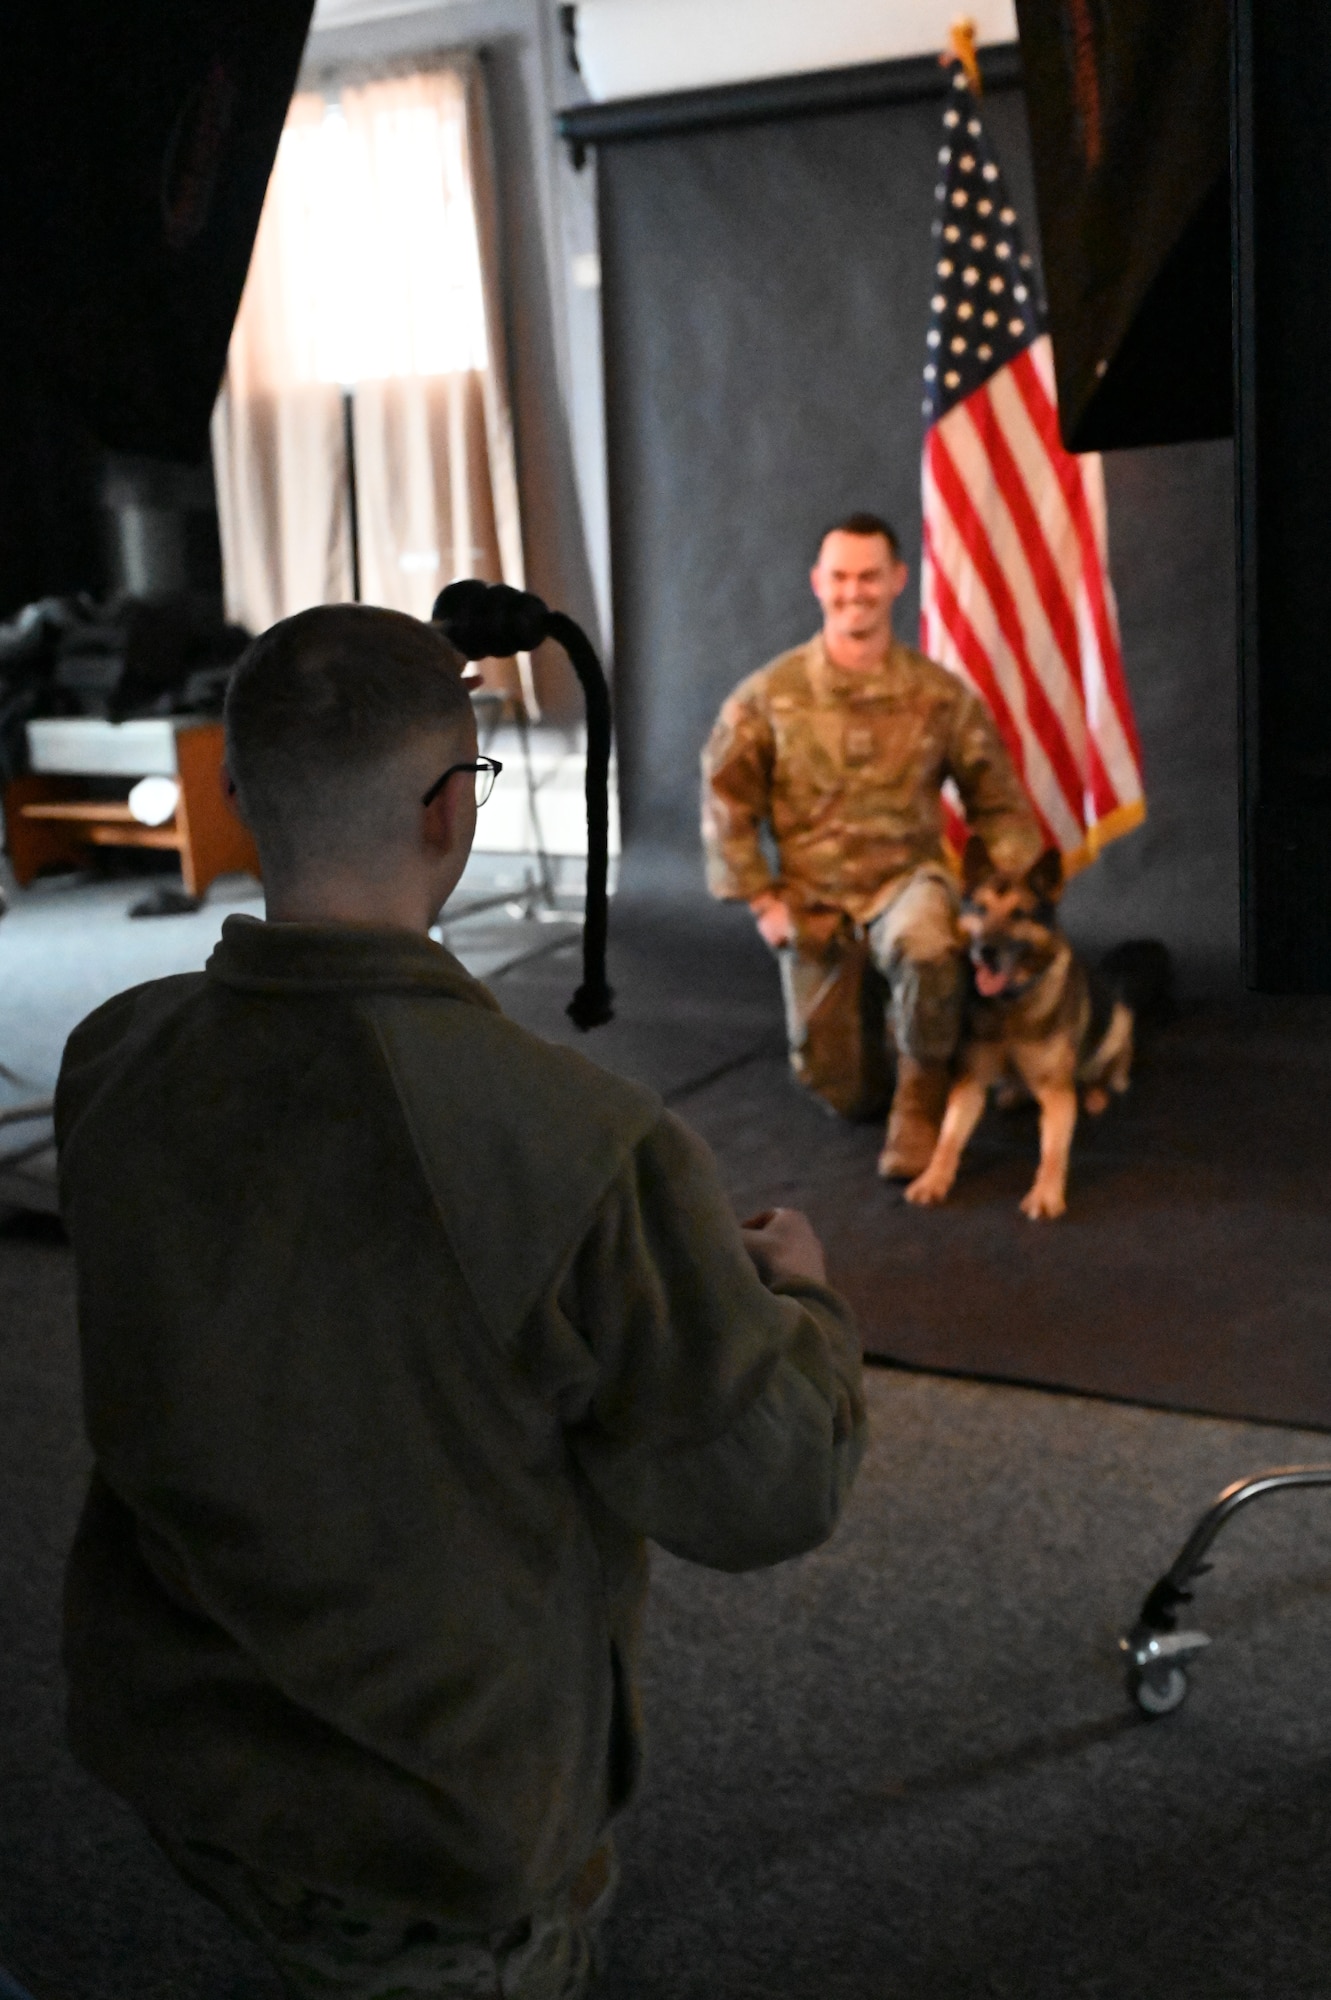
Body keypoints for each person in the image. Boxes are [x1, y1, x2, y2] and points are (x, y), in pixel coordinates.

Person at [54, 604, 866, 2000]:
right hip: (428, 1830)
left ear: (239, 796)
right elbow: (766, 1490)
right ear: (448, 811)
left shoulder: (110, 1060)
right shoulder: (580, 1143)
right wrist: (800, 1307)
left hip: (180, 1750)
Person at [701, 513, 1042, 1178]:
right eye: (839, 578)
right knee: (844, 1093)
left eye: (868, 577)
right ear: (816, 584)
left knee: (927, 943)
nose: (852, 592)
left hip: (905, 884)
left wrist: (1007, 899)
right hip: (813, 900)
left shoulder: (938, 697)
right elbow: (726, 801)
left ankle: (920, 1108)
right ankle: (904, 1055)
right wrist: (762, 901)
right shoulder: (768, 697)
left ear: (896, 581)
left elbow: (998, 804)